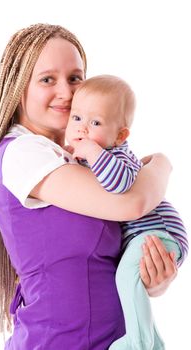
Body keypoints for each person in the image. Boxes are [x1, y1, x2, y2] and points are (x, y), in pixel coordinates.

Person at [0, 24, 177, 350]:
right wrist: (163, 164)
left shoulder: (80, 161)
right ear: (19, 86)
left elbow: (106, 258)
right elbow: (134, 203)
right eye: (47, 79)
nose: (66, 92)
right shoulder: (23, 153)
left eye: (75, 78)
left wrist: (154, 279)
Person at [65, 74, 188, 350]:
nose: (82, 129)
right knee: (131, 281)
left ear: (120, 135)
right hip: (146, 236)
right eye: (76, 118)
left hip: (157, 231)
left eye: (95, 122)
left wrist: (91, 152)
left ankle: (137, 342)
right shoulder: (94, 154)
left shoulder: (117, 156)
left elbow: (120, 184)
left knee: (125, 277)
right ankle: (153, 343)